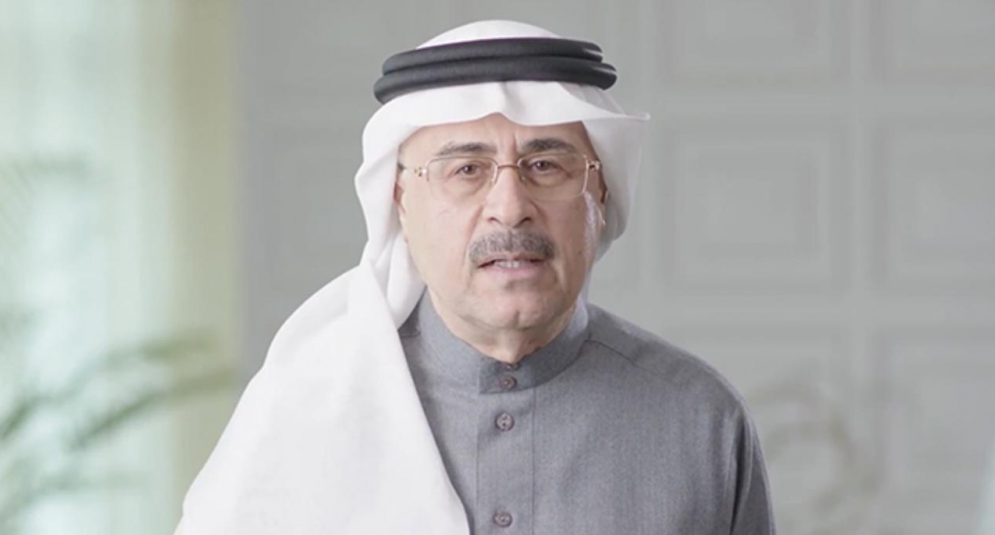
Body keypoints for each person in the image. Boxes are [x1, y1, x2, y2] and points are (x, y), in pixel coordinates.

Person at [176, 20, 776, 535]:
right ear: (400, 204)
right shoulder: (300, 416)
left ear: (599, 193)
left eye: (546, 165)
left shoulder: (699, 418)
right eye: (466, 169)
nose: (509, 208)